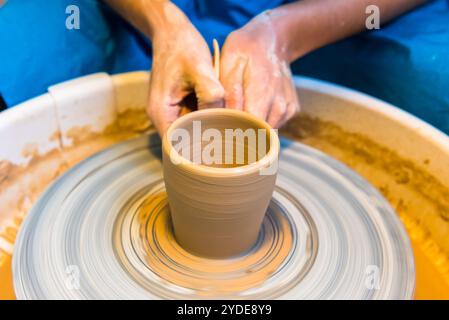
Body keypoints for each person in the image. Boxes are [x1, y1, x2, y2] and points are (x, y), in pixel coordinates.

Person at [1, 1, 448, 134]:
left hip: (328, 14)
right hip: (153, 11)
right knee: (20, 45)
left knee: (435, 79)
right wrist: (162, 22)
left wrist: (281, 33)